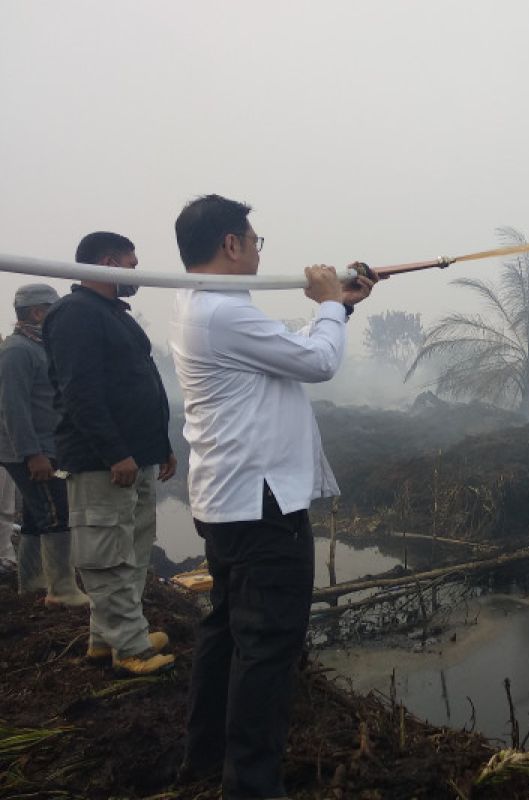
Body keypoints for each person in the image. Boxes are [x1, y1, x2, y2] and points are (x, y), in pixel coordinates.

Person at [170, 194, 374, 799]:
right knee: (267, 647)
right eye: (256, 241)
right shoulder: (221, 314)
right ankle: (250, 787)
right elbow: (318, 364)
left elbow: (289, 350)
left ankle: (204, 760)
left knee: (227, 631)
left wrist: (342, 308)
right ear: (231, 244)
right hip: (262, 507)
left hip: (229, 502)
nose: (260, 251)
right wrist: (329, 306)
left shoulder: (204, 306)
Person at [42, 232, 177, 676]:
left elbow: (141, 384)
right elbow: (80, 392)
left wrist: (161, 448)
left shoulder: (112, 315)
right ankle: (130, 649)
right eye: (131, 265)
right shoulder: (75, 314)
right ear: (107, 261)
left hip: (136, 458)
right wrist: (115, 452)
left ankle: (110, 637)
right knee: (107, 555)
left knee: (133, 551)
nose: (137, 273)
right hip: (104, 463)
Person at [0, 284, 89, 606]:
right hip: (30, 450)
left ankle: (33, 582)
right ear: (38, 313)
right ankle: (62, 589)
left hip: (46, 446)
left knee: (38, 517)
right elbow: (13, 407)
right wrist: (32, 454)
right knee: (56, 513)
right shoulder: (17, 351)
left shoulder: (40, 347)